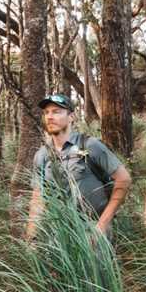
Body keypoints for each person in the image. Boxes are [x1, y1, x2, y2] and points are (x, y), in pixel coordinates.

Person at [25, 94, 131, 241]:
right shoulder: (41, 155)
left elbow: (123, 180)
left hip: (92, 228)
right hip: (60, 232)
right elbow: (38, 197)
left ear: (71, 117)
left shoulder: (90, 145)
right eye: (46, 112)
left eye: (56, 111)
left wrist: (101, 226)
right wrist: (31, 238)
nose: (49, 117)